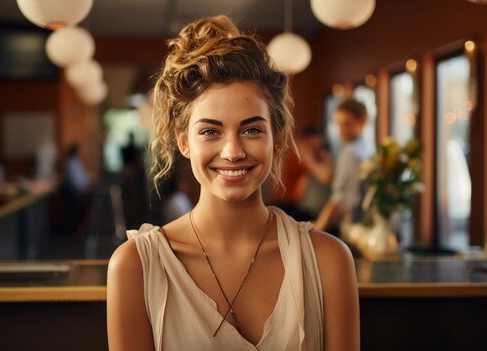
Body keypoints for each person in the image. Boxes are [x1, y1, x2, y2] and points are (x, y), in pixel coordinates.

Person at [107, 15, 359, 351]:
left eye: (252, 129)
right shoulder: (136, 266)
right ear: (184, 142)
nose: (233, 151)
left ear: (277, 140)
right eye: (210, 131)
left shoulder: (328, 260)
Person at [314, 98, 369, 235]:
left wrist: (313, 234)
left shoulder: (351, 154)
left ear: (362, 121)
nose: (341, 131)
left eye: (347, 124)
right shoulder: (364, 150)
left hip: (351, 230)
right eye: (339, 125)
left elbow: (337, 202)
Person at [294, 126, 333, 221]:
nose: (312, 150)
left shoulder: (326, 159)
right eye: (309, 146)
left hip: (316, 214)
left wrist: (306, 156)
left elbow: (326, 177)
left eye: (315, 147)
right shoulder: (305, 164)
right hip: (303, 209)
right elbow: (297, 193)